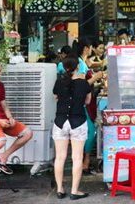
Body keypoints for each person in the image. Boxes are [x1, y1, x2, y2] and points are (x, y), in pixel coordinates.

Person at [52, 57, 92, 200]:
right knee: (77, 158)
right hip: (78, 121)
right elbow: (87, 101)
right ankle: (75, 191)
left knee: (60, 157)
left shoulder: (59, 82)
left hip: (60, 122)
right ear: (78, 67)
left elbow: (56, 97)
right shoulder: (84, 83)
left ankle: (60, 189)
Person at [77, 38, 106, 175]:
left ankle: (84, 162)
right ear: (86, 49)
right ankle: (85, 162)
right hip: (83, 103)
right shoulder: (80, 64)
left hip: (88, 102)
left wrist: (99, 83)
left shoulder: (83, 63)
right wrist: (97, 77)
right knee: (90, 132)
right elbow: (82, 84)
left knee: (88, 131)